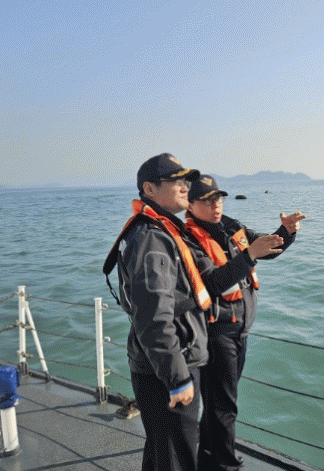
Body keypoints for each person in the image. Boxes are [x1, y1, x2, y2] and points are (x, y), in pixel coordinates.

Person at [183, 175, 306, 471]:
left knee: (219, 406)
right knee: (223, 407)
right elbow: (212, 282)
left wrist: (286, 232)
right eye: (207, 201)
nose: (216, 205)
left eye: (219, 198)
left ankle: (208, 460)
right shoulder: (188, 239)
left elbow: (267, 248)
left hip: (239, 329)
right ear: (190, 204)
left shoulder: (231, 226)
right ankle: (226, 465)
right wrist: (250, 254)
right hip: (216, 332)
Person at [103, 153, 211, 471]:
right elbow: (154, 316)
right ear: (149, 189)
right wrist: (178, 378)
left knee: (162, 452)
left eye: (186, 180)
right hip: (168, 368)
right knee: (177, 457)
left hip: (159, 363)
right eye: (176, 181)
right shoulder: (152, 239)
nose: (185, 186)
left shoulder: (158, 231)